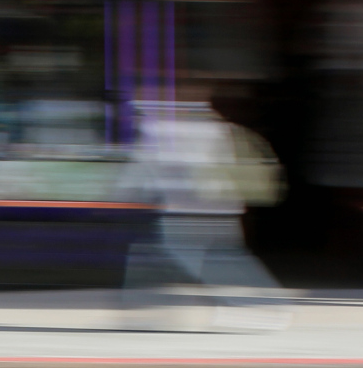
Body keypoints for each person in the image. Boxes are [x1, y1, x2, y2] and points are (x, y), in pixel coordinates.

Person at [119, 91, 288, 331]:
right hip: (221, 209)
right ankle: (262, 306)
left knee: (203, 260)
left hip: (185, 212)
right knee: (224, 259)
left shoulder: (160, 130)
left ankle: (265, 307)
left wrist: (124, 193)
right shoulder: (214, 126)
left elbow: (144, 169)